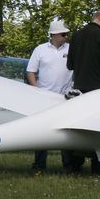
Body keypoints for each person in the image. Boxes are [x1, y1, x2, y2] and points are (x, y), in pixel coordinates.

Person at [66, 11, 100, 172]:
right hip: (98, 88)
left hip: (79, 87)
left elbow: (70, 65)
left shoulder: (76, 36)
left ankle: (73, 162)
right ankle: (99, 164)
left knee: (77, 125)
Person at [27, 19, 75, 171]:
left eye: (66, 34)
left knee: (67, 132)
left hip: (65, 98)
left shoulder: (71, 49)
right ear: (54, 35)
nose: (66, 37)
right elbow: (31, 71)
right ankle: (39, 164)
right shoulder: (40, 50)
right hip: (43, 98)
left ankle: (69, 165)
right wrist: (36, 90)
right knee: (41, 132)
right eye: (63, 34)